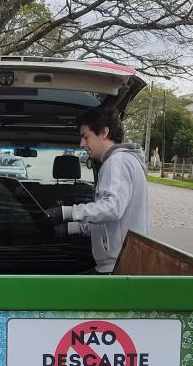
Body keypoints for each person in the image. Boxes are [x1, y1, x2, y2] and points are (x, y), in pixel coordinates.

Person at [45, 107, 149, 274]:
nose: (82, 144)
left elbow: (111, 208)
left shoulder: (117, 162)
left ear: (104, 132)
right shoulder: (123, 161)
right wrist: (71, 227)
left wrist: (66, 212)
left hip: (119, 264)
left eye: (86, 137)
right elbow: (106, 223)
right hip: (121, 261)